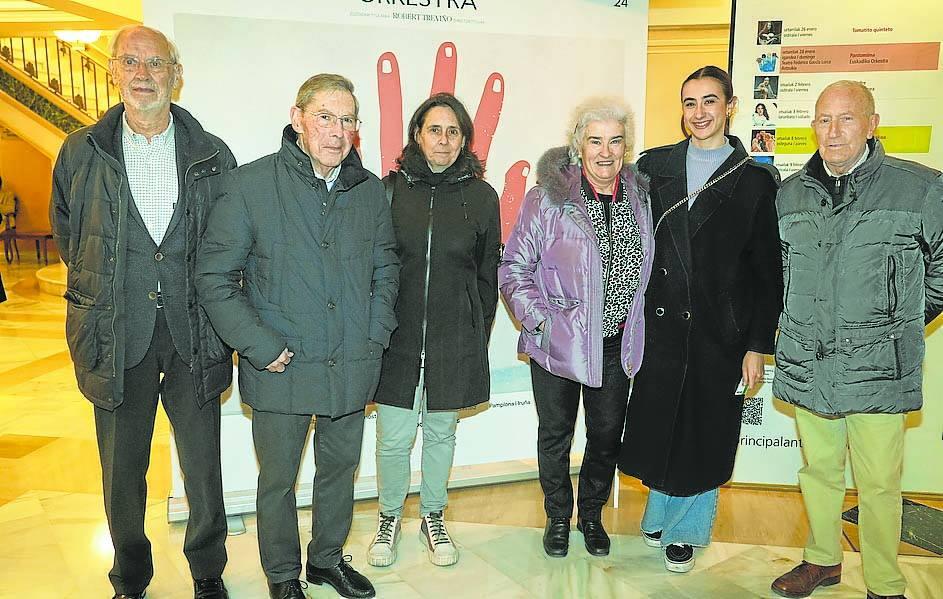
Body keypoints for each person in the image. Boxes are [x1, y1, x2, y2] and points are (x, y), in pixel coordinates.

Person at [195, 73, 398, 599]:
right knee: (278, 482)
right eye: (326, 117)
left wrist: (375, 337)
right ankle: (283, 577)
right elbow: (215, 279)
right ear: (298, 118)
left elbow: (385, 268)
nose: (337, 131)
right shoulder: (251, 185)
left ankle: (326, 561)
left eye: (348, 119)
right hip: (279, 364)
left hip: (351, 362)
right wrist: (260, 347)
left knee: (340, 473)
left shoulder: (370, 190)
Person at [49, 25, 234, 599]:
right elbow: (70, 235)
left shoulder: (211, 152)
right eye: (131, 62)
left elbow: (230, 245)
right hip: (115, 333)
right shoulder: (82, 152)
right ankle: (129, 577)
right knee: (121, 472)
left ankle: (207, 573)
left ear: (175, 74)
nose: (143, 75)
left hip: (193, 335)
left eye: (156, 64)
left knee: (203, 470)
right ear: (113, 72)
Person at [770, 80, 943, 599]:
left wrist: (903, 319)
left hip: (878, 369)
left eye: (847, 118)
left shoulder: (919, 188)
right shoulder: (789, 194)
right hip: (810, 362)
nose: (833, 131)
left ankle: (885, 583)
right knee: (817, 471)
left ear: (872, 123)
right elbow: (781, 274)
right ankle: (823, 560)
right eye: (823, 119)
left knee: (880, 485)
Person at [618, 65, 783, 573]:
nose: (699, 113)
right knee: (663, 424)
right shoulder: (653, 167)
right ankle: (661, 508)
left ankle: (687, 528)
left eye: (710, 101)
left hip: (720, 331)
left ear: (730, 106)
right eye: (690, 103)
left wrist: (757, 344)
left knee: (704, 430)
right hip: (662, 326)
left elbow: (768, 273)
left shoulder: (754, 180)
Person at [499, 97, 654, 559]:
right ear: (578, 145)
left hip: (615, 344)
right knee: (556, 434)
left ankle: (591, 514)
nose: (605, 152)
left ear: (626, 146)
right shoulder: (547, 199)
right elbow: (513, 269)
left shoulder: (640, 197)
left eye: (615, 141)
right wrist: (541, 322)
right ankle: (557, 518)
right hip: (559, 345)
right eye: (595, 140)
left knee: (607, 437)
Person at [367, 93, 501, 568]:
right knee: (393, 437)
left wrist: (474, 329)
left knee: (442, 433)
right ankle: (388, 518)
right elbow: (372, 269)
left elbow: (489, 275)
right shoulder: (387, 191)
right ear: (416, 135)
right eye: (433, 130)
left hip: (454, 337)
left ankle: (433, 515)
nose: (442, 141)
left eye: (452, 131)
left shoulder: (483, 197)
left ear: (464, 139)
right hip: (396, 339)